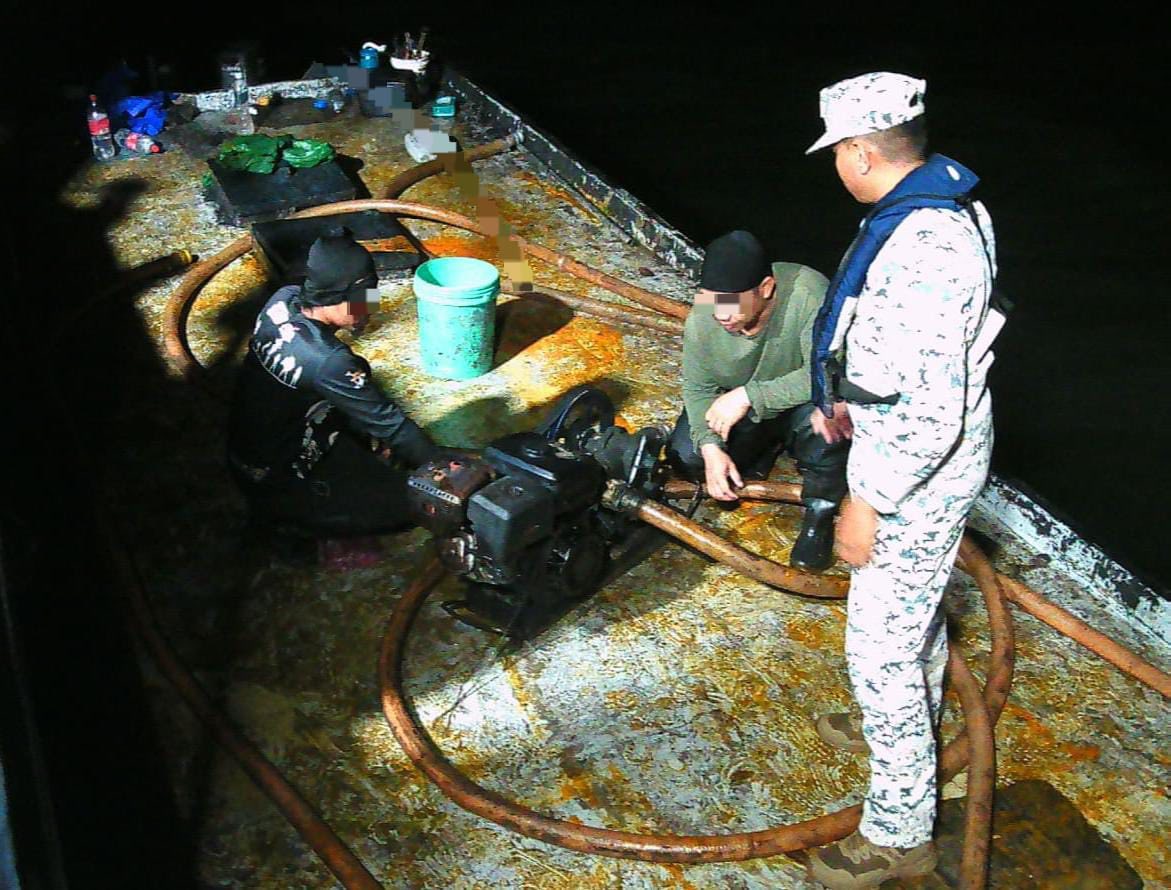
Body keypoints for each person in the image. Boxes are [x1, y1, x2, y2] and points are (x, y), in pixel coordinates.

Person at [800, 73, 1000, 888]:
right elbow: (914, 364)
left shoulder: (925, 249)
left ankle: (898, 831)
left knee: (880, 648)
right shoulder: (942, 205)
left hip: (913, 475)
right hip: (907, 452)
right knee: (909, 617)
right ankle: (908, 722)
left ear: (859, 153)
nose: (834, 166)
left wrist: (865, 502)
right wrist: (849, 399)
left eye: (835, 152)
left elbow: (930, 413)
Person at [227, 227, 438, 554]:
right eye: (365, 297)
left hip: (254, 441)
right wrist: (442, 468)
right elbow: (391, 424)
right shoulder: (328, 361)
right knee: (417, 506)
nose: (371, 307)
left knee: (360, 378)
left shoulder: (283, 299)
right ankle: (287, 525)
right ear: (342, 296)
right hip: (275, 473)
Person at [667, 230, 849, 571]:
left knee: (831, 418)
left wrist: (750, 395)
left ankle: (821, 510)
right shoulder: (707, 313)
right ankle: (763, 448)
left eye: (731, 302)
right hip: (745, 406)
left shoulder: (810, 295)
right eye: (711, 300)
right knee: (688, 455)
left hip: (800, 401)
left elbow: (824, 373)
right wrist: (710, 448)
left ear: (765, 288)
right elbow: (697, 388)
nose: (720, 314)